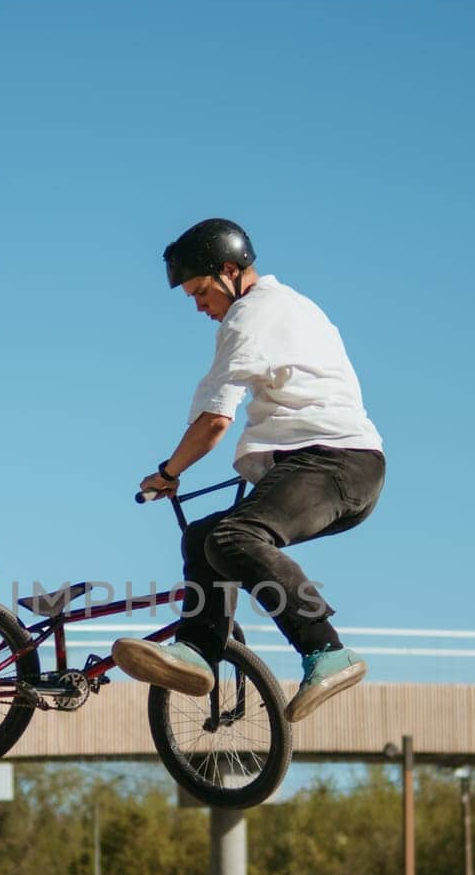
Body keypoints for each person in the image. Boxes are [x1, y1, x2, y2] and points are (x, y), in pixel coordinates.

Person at [112, 217, 385, 723]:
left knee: (233, 538)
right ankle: (197, 652)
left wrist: (168, 472)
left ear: (230, 273)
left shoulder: (250, 315)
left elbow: (214, 419)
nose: (198, 306)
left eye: (199, 291)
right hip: (336, 466)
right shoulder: (295, 307)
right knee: (203, 538)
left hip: (331, 461)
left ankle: (327, 650)